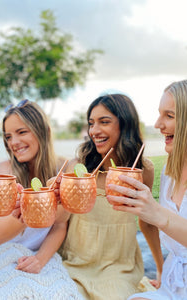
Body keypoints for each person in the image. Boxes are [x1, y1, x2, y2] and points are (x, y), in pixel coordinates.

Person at [0, 100, 83, 299]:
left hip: (36, 254)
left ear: (44, 131)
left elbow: (60, 225)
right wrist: (33, 205)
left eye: (22, 132)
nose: (13, 142)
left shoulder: (64, 169)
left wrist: (40, 260)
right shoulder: (4, 172)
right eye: (8, 136)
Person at [58, 94, 155, 300]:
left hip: (117, 268)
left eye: (104, 122)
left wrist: (162, 271)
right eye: (91, 123)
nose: (94, 131)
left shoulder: (142, 170)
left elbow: (147, 224)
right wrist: (54, 194)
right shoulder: (77, 168)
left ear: (125, 125)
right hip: (74, 262)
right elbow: (61, 220)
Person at [107, 80, 187, 299]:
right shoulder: (170, 173)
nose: (158, 124)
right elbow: (151, 223)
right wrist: (161, 269)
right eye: (160, 114)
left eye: (169, 116)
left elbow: (159, 218)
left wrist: (157, 213)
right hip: (174, 281)